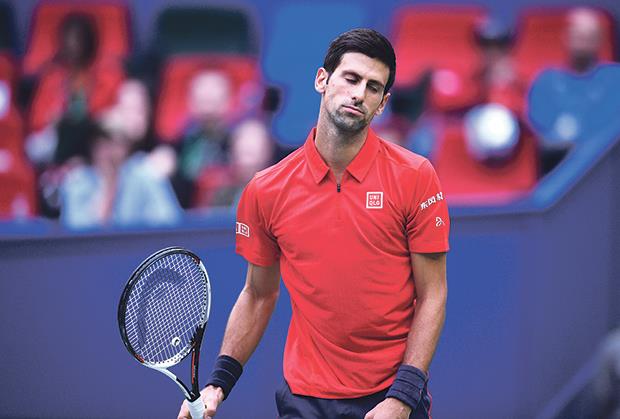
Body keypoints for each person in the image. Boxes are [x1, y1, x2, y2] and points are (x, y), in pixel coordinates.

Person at [178, 28, 450, 419]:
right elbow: (258, 294)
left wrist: (403, 398)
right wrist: (217, 384)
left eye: (373, 88)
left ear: (382, 104)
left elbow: (432, 294)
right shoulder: (266, 190)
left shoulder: (415, 176)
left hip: (389, 396)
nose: (359, 94)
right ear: (322, 80)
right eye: (351, 78)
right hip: (304, 399)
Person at [565, 7, 605, 74]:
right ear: (566, 39)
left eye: (588, 37)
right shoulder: (551, 76)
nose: (582, 43)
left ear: (598, 41)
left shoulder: (615, 74)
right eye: (578, 37)